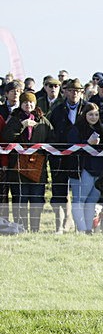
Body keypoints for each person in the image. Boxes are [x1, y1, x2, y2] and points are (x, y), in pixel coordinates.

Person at [0, 92, 54, 232]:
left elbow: (52, 139)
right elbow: (6, 137)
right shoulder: (14, 119)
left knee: (37, 198)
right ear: (21, 104)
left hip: (38, 165)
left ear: (35, 104)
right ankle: (20, 227)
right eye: (25, 102)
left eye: (31, 102)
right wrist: (21, 125)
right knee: (20, 198)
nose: (28, 105)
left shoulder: (42, 120)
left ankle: (35, 229)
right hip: (18, 166)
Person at [47, 78, 86, 233]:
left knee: (79, 193)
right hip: (60, 157)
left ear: (81, 92)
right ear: (65, 92)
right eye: (71, 90)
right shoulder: (57, 110)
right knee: (58, 192)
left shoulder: (87, 108)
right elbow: (51, 132)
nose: (74, 93)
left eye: (77, 90)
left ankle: (79, 225)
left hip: (81, 157)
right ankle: (61, 224)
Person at [64, 103, 103, 233]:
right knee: (79, 199)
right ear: (84, 115)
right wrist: (87, 143)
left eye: (96, 114)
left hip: (99, 169)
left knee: (92, 200)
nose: (93, 117)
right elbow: (71, 147)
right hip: (81, 169)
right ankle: (82, 229)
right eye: (90, 114)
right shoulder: (76, 129)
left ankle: (89, 229)